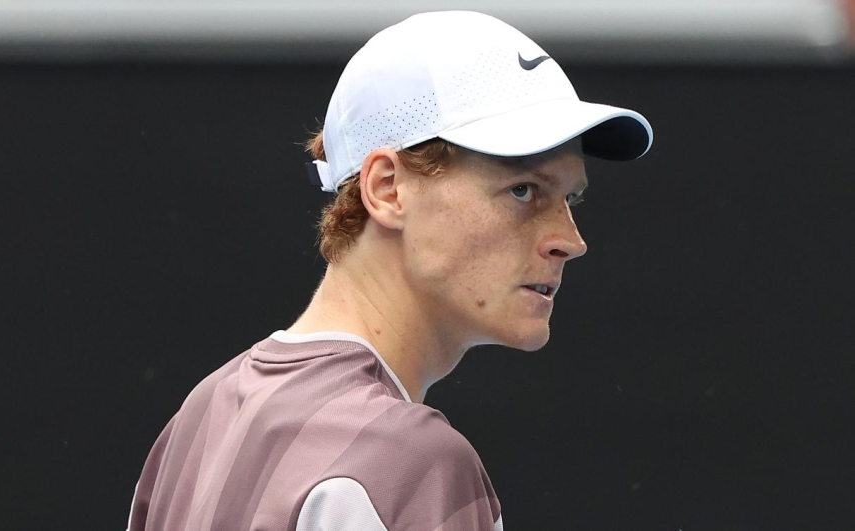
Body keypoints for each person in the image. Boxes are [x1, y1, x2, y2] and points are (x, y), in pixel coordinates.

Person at [127, 10, 652, 531]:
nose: (570, 240)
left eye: (572, 198)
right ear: (386, 188)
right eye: (523, 190)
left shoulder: (198, 418)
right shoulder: (412, 461)